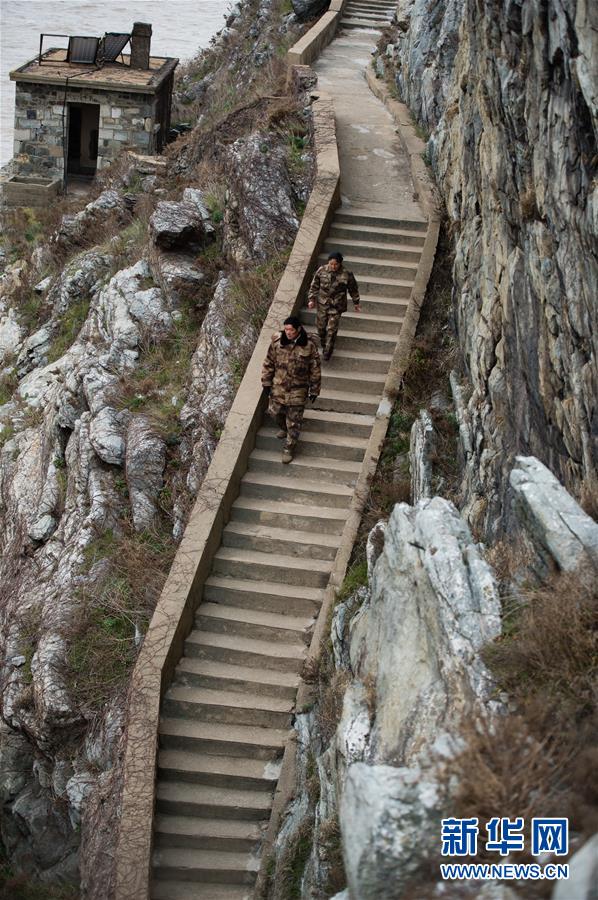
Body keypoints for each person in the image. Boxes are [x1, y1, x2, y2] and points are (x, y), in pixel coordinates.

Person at [261, 316, 321, 464]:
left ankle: (289, 448)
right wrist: (266, 382)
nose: (288, 332)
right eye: (286, 329)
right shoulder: (277, 343)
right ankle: (284, 427)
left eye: (291, 330)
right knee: (274, 413)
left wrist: (314, 390)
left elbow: (315, 369)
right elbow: (268, 362)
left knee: (294, 422)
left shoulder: (308, 346)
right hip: (279, 388)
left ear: (298, 329)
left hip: (298, 391)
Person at [307, 251, 361, 360]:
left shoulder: (347, 274)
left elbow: (353, 289)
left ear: (340, 263)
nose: (333, 266)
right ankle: (323, 343)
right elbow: (314, 285)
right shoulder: (322, 270)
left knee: (332, 329)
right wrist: (311, 299)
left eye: (336, 264)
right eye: (331, 264)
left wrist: (356, 302)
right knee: (321, 327)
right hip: (323, 303)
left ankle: (328, 350)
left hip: (337, 305)